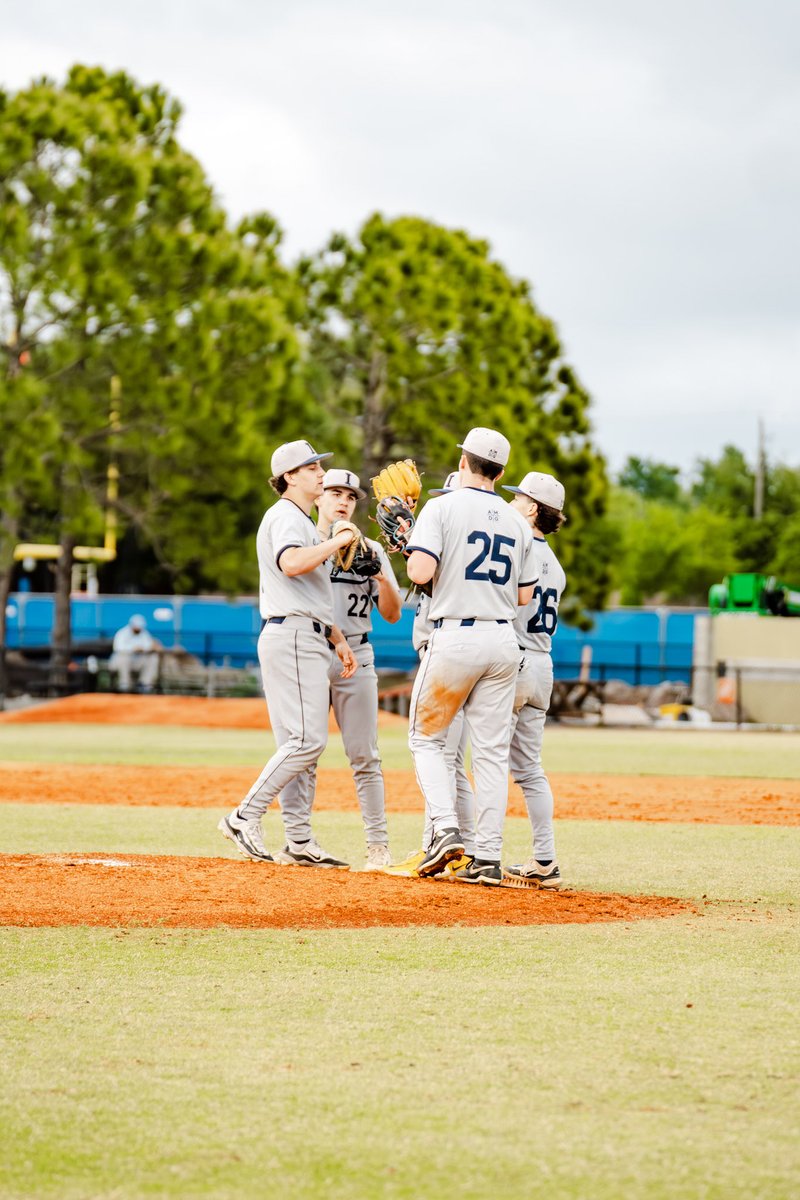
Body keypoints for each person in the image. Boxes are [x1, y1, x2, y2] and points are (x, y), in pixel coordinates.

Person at [404, 428, 537, 885]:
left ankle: (445, 829)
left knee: (425, 739)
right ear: (500, 472)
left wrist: (410, 545)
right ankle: (488, 858)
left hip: (456, 637)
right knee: (491, 754)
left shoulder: (442, 507)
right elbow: (524, 596)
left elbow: (420, 571)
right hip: (502, 640)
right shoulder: (517, 522)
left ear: (463, 461)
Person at [218, 440, 359, 866]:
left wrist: (336, 636)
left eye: (319, 466)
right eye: (312, 467)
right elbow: (292, 564)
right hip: (293, 636)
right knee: (305, 741)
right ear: (290, 477)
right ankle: (244, 816)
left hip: (306, 633)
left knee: (299, 747)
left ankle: (298, 841)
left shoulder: (301, 519)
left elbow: (306, 591)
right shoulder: (284, 515)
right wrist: (337, 541)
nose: (321, 472)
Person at [279, 468, 402, 870]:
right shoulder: (305, 544)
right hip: (311, 649)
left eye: (350, 496)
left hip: (358, 655)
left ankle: (378, 846)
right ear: (318, 497)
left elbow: (393, 615)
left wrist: (383, 577)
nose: (343, 501)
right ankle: (298, 840)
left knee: (365, 756)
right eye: (334, 493)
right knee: (304, 751)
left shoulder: (371, 549)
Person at [386, 472, 476, 878]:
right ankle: (467, 850)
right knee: (451, 761)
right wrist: (412, 544)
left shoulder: (454, 542)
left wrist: (411, 544)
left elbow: (435, 577)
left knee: (436, 753)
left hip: (448, 655)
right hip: (462, 652)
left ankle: (437, 845)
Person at [503, 472, 567, 887]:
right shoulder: (556, 566)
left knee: (490, 760)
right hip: (543, 663)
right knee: (529, 769)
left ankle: (479, 853)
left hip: (514, 659)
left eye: (518, 498)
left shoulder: (517, 548)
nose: (511, 503)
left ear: (531, 508)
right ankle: (545, 860)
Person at [110, 614, 160, 693]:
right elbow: (118, 648)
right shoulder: (122, 633)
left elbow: (148, 646)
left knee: (153, 657)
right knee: (124, 657)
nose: (138, 629)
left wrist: (149, 648)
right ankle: (124, 684)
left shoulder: (144, 633)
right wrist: (133, 649)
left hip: (137, 661)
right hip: (120, 662)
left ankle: (144, 684)